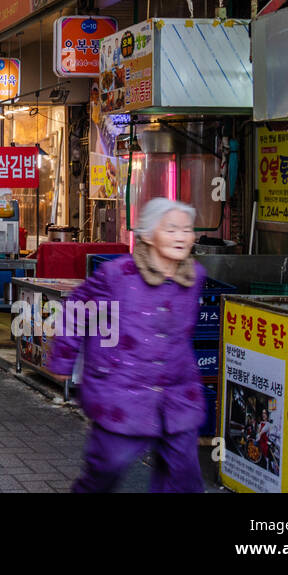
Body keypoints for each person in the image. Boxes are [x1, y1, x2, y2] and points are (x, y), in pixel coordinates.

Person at [47, 197, 208, 493]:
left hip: (177, 394)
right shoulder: (117, 275)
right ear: (147, 234)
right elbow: (76, 308)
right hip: (122, 393)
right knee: (106, 468)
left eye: (187, 230)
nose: (181, 237)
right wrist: (62, 360)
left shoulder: (194, 276)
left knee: (183, 476)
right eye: (171, 229)